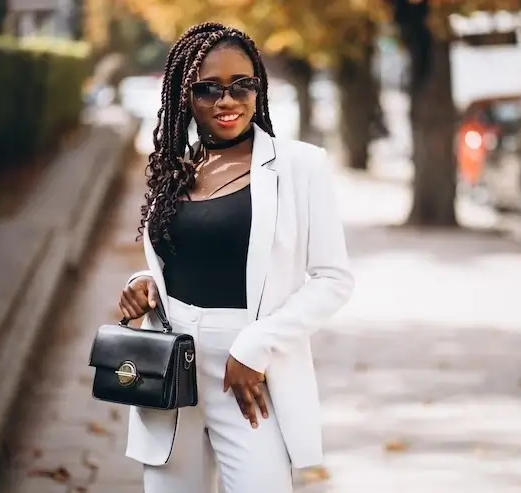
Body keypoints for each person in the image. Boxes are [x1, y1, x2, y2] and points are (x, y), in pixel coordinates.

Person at [117, 22, 353, 493]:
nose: (228, 101)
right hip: (169, 369)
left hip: (248, 373)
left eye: (242, 85)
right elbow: (186, 257)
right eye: (209, 89)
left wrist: (255, 346)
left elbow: (333, 279)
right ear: (186, 96)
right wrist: (147, 282)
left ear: (258, 87)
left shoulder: (299, 166)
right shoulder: (175, 166)